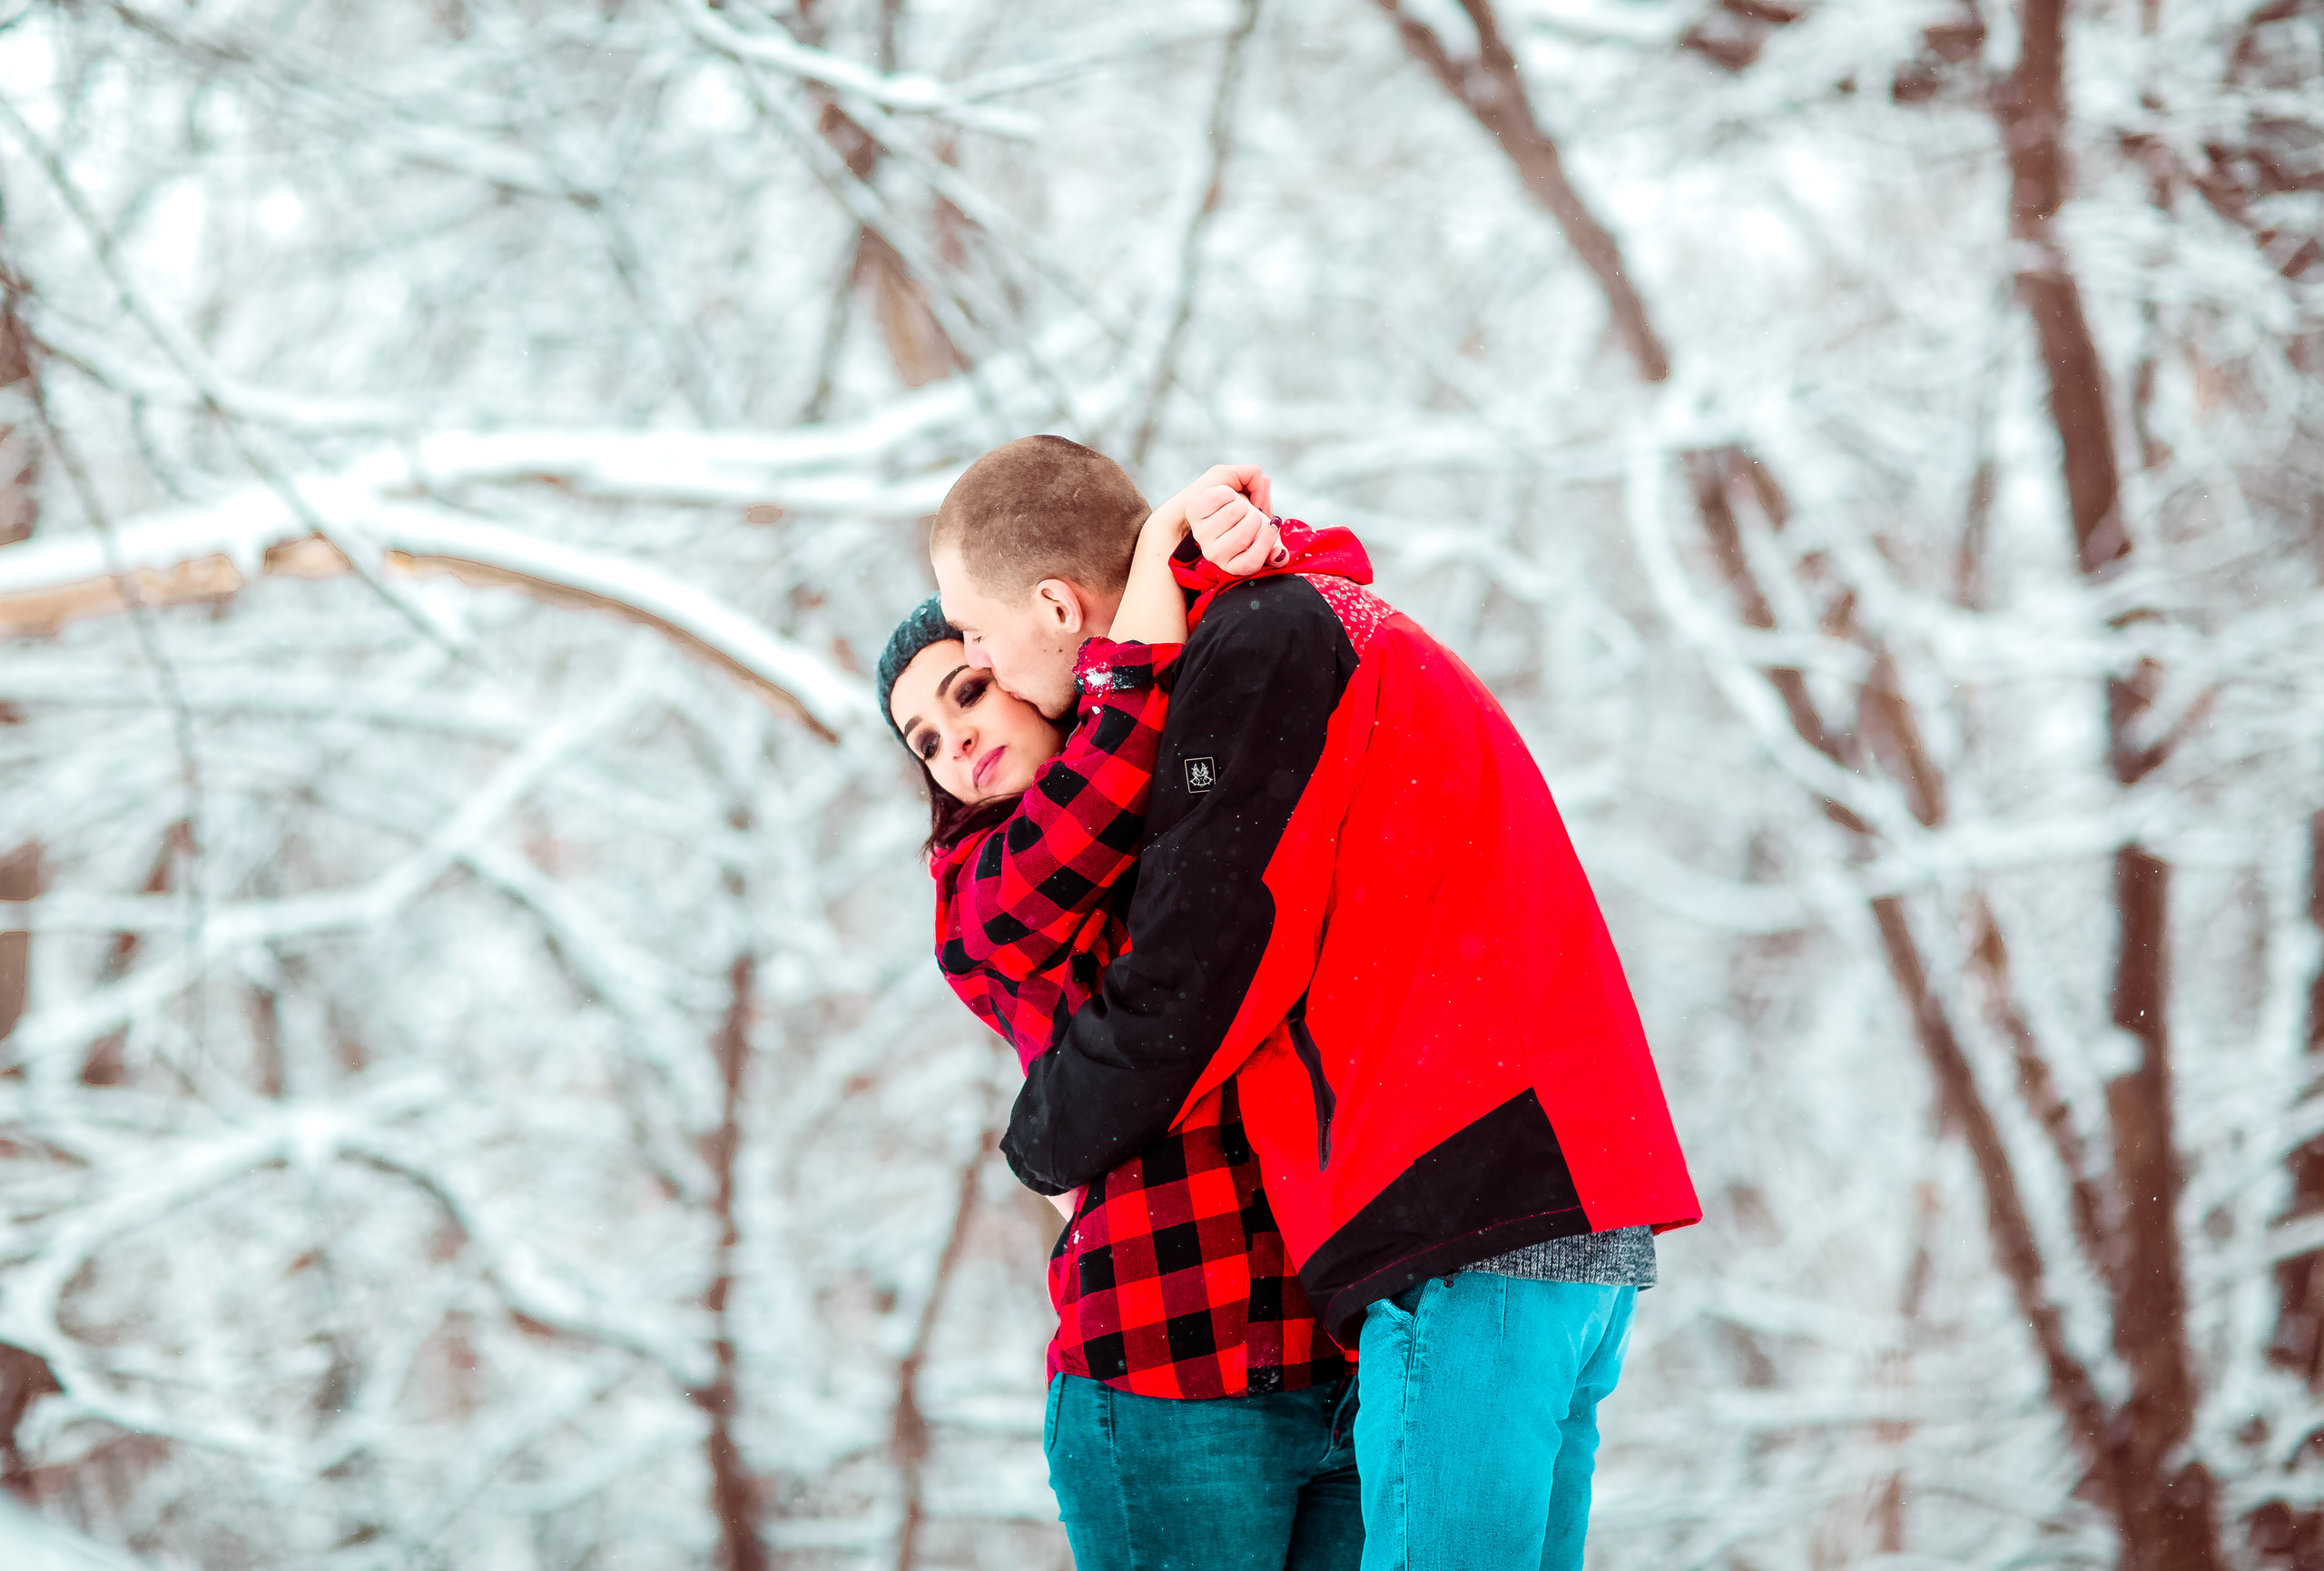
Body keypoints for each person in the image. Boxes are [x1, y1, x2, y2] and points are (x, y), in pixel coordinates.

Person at [933, 434, 1703, 1571]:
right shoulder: (1304, 615)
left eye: (978, 633)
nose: (979, 657)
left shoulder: (1258, 645)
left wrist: (1043, 1143)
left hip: (1466, 1208)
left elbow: (1198, 975)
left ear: (1054, 603)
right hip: (1558, 1204)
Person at [879, 465, 1362, 1571]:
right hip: (1161, 1371)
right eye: (923, 742)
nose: (952, 743)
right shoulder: (983, 894)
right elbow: (1112, 757)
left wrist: (1229, 536)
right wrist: (1152, 560)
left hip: (1328, 1348)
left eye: (965, 691)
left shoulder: (1185, 808)